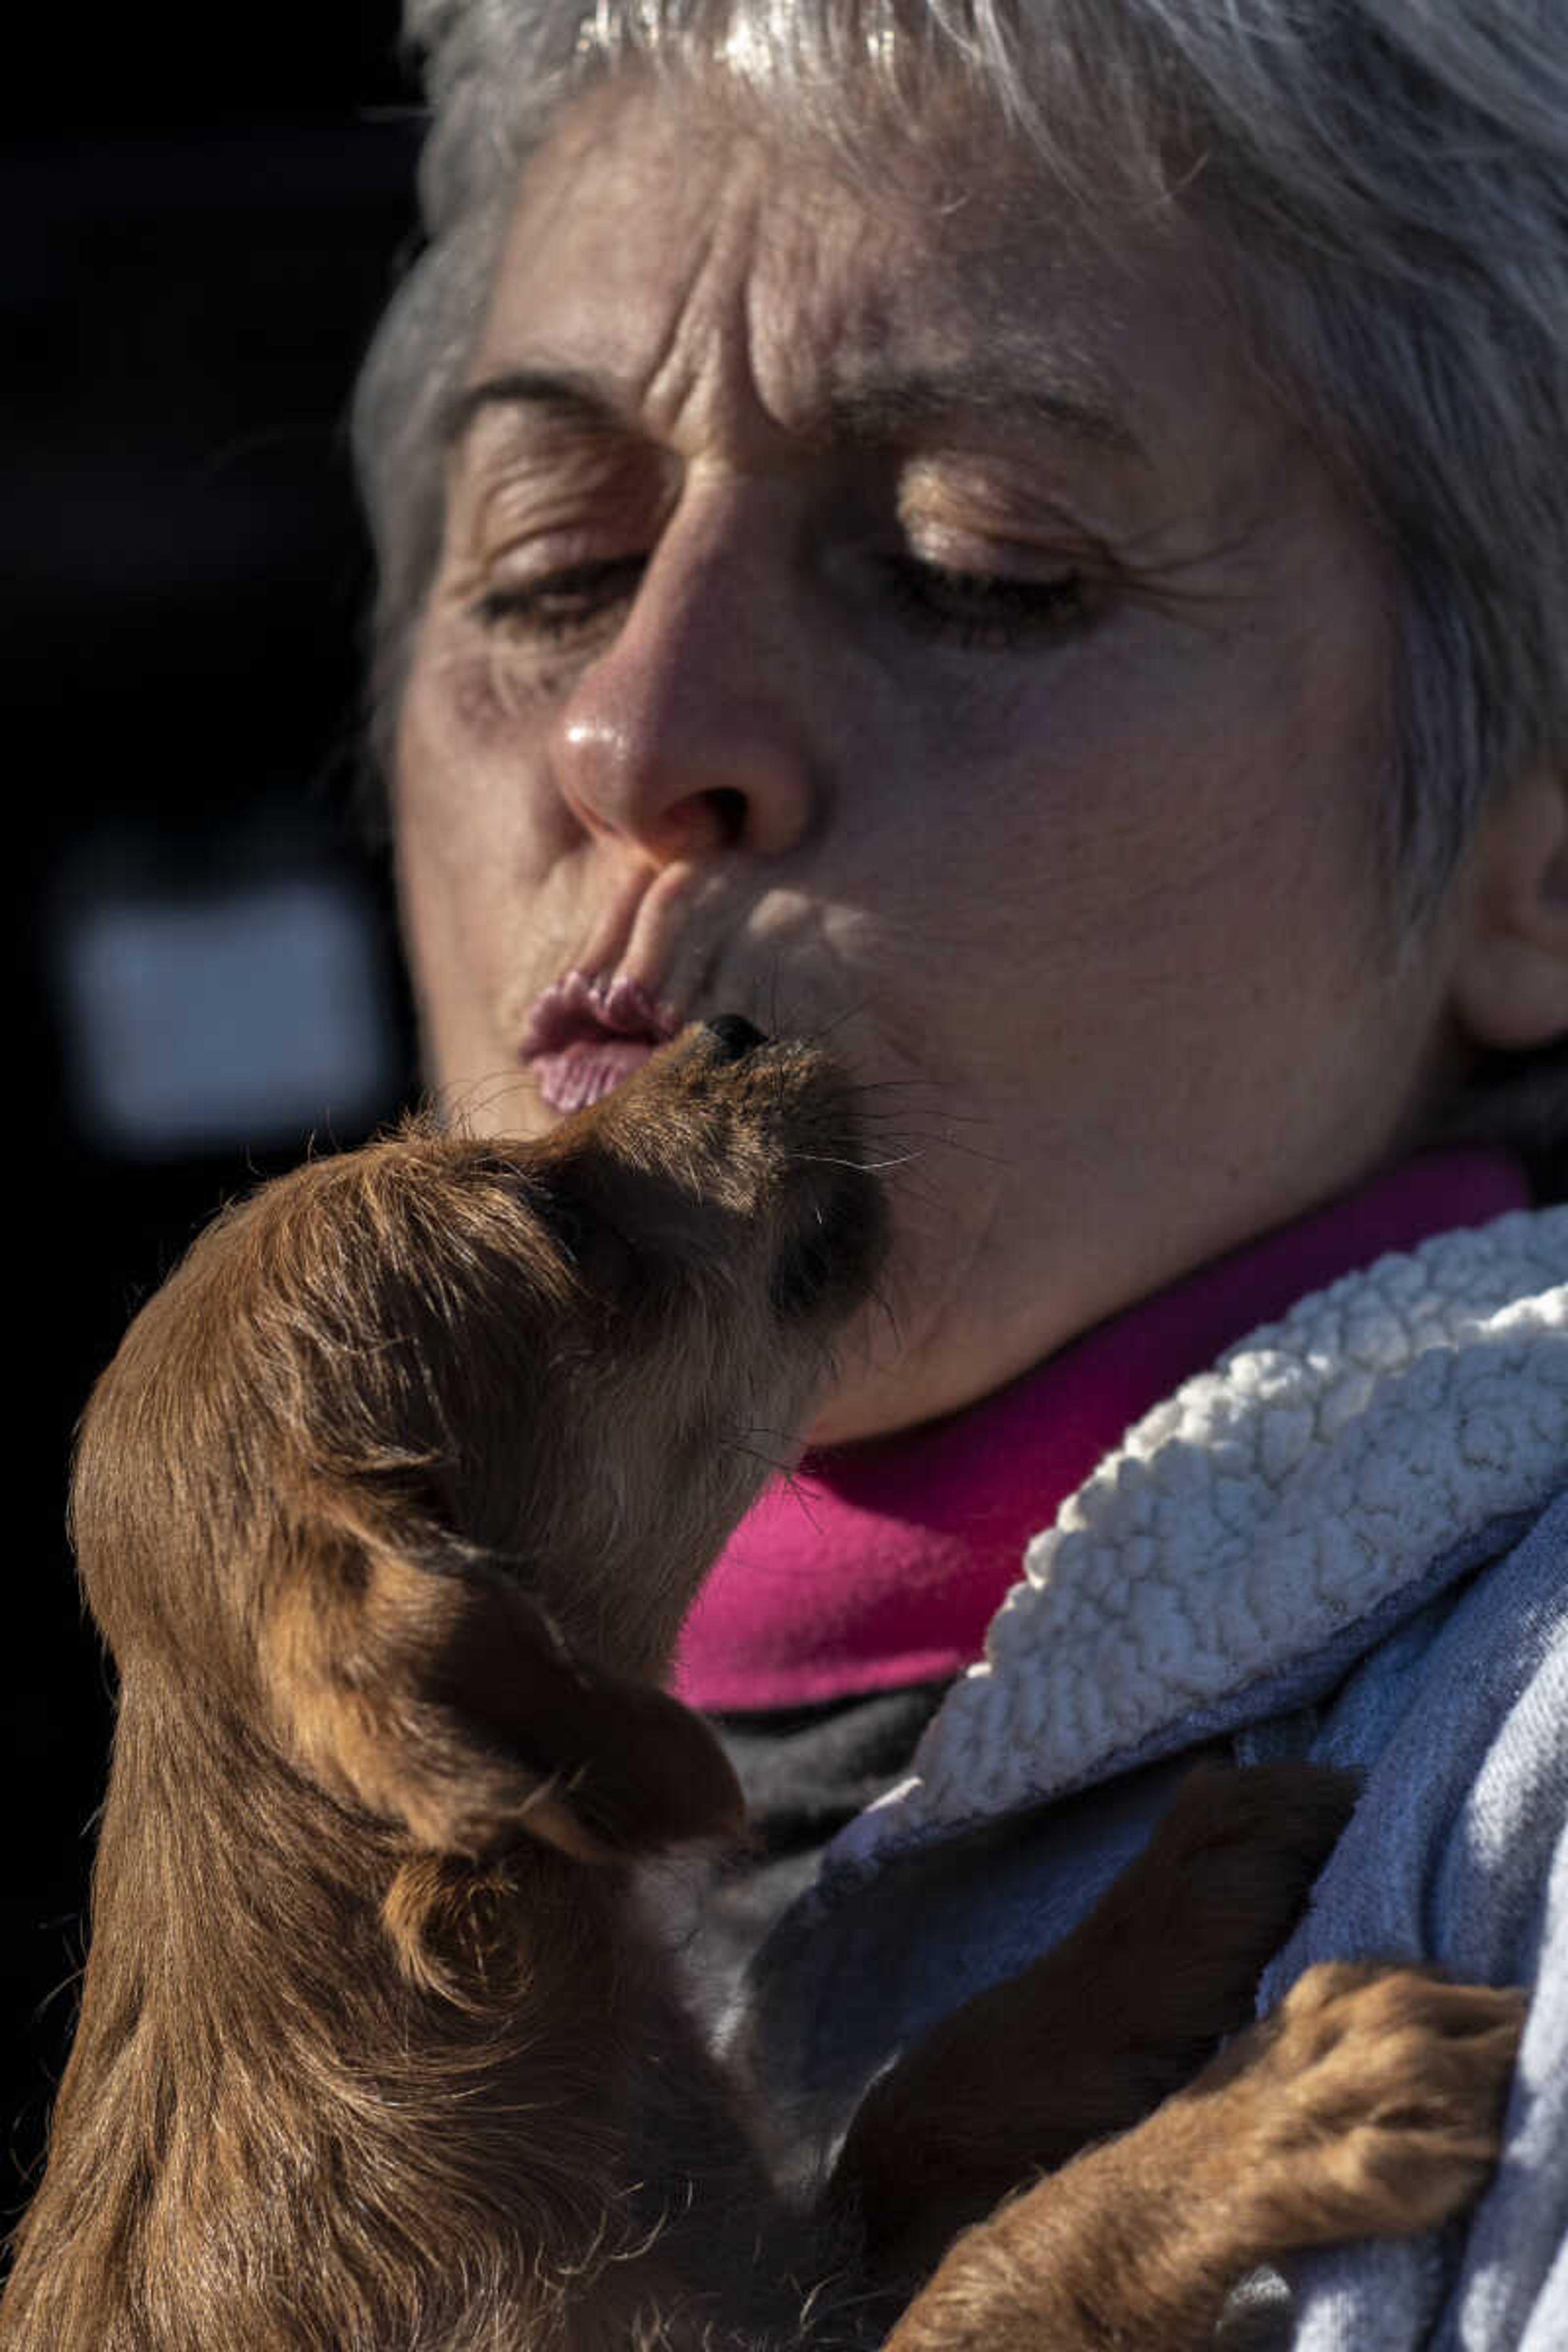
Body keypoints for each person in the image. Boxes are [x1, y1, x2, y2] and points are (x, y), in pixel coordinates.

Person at [352, 0, 1568, 2339]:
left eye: (974, 562)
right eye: (550, 563)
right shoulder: (348, 1808)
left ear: (1539, 846)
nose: (639, 730)